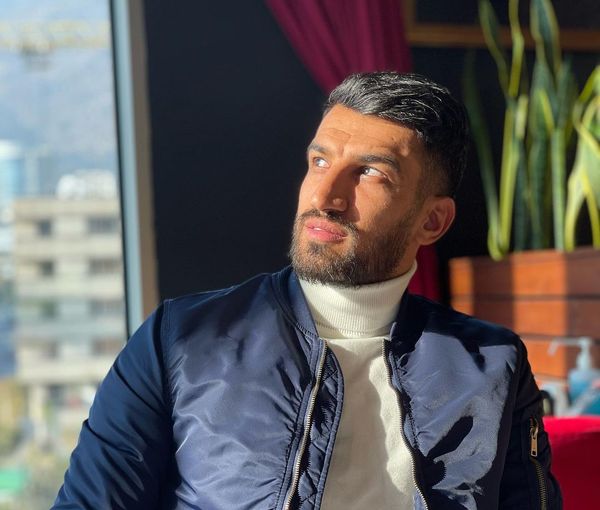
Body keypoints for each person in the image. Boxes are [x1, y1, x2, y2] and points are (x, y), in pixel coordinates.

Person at [52, 72, 561, 509]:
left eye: (369, 173)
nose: (325, 196)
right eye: (319, 162)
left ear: (432, 220)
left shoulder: (491, 364)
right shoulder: (180, 341)